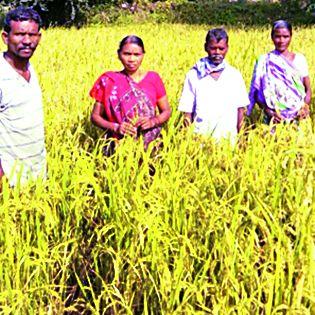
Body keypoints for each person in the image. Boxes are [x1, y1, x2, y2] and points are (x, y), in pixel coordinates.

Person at [90, 35, 171, 151]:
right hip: (117, 145)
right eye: (127, 54)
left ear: (143, 55)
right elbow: (95, 116)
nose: (132, 59)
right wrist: (116, 127)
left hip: (151, 146)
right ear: (119, 55)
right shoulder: (108, 81)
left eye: (137, 55)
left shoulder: (153, 78)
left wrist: (153, 121)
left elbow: (166, 111)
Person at [0, 7, 46, 186]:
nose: (27, 41)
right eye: (19, 34)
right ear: (5, 37)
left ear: (39, 38)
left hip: (37, 175)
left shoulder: (29, 68)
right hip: (9, 182)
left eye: (32, 35)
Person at [178, 28, 249, 141]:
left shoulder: (234, 75)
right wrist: (188, 140)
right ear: (206, 47)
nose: (217, 52)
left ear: (227, 49)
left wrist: (241, 138)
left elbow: (240, 110)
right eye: (213, 48)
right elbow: (187, 111)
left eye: (221, 48)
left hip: (229, 140)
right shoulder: (194, 75)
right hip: (200, 139)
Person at [247, 20, 311, 124]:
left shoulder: (300, 59)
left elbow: (308, 90)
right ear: (272, 37)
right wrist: (268, 111)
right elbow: (257, 93)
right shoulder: (264, 60)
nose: (281, 40)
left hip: (298, 117)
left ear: (291, 37)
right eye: (277, 36)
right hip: (273, 118)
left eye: (285, 36)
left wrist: (305, 107)